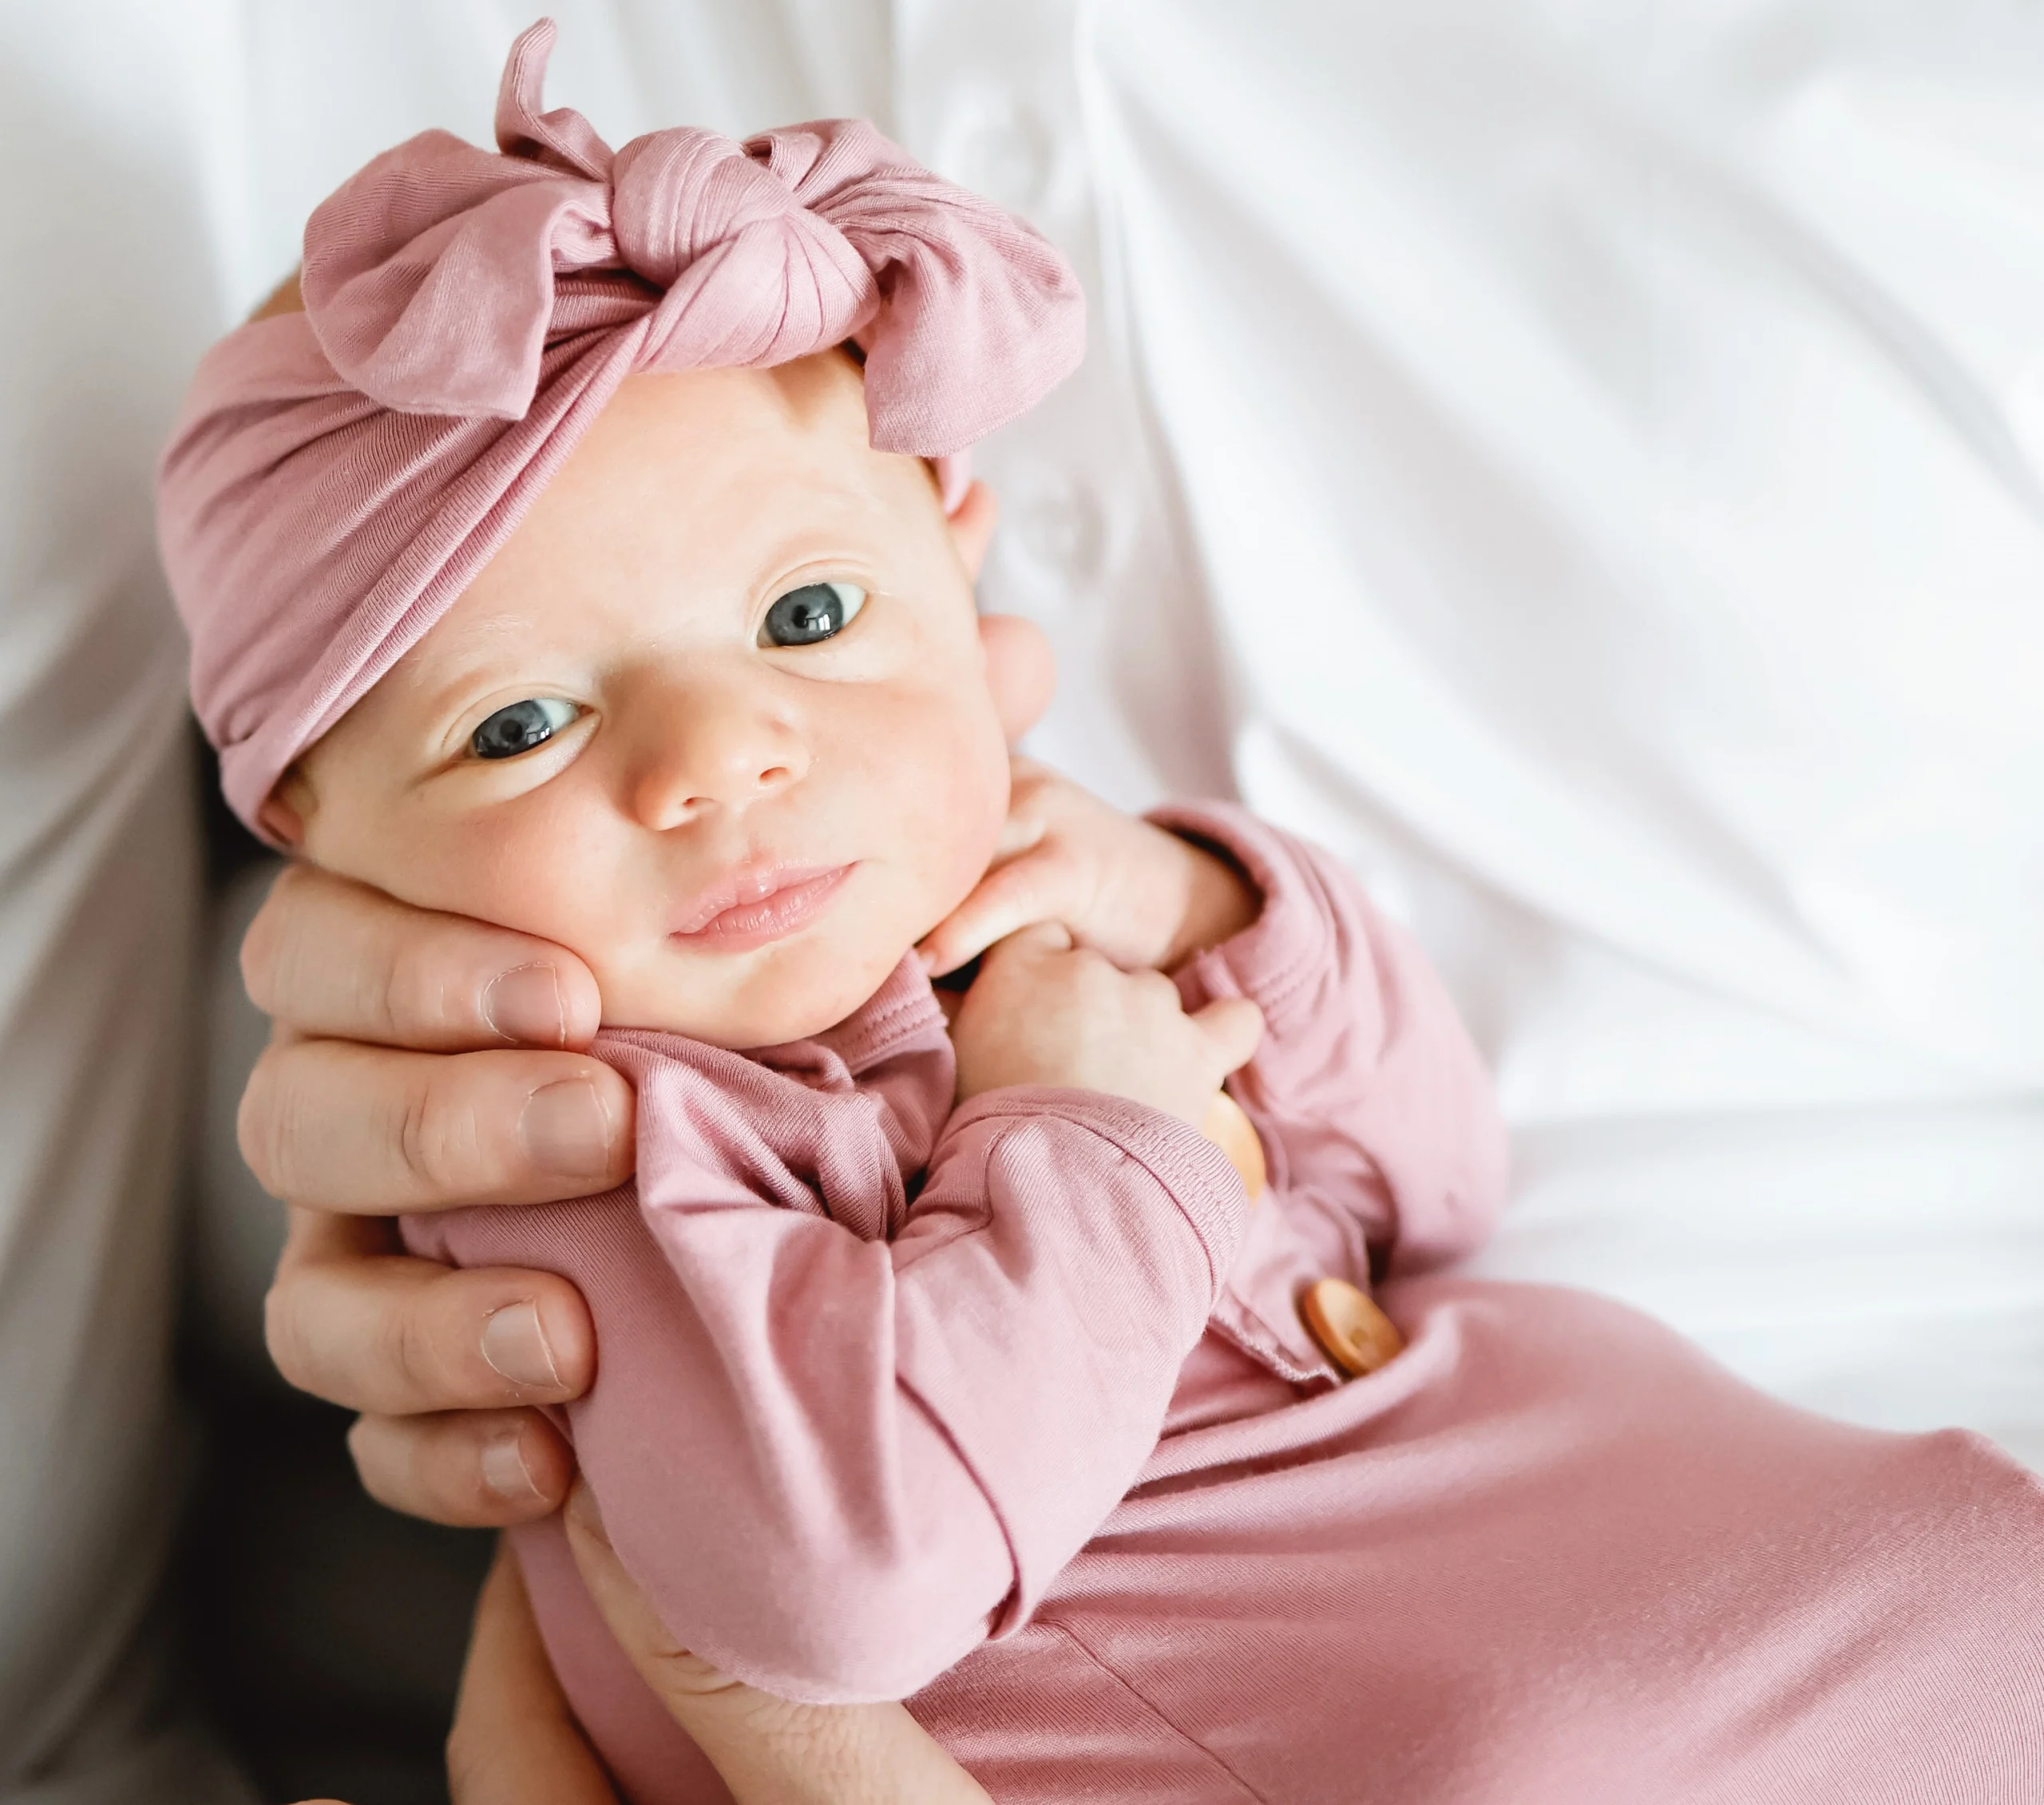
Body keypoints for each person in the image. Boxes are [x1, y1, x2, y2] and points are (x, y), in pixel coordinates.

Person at [161, 25, 2044, 1801]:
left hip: (1658, 1529)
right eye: (519, 723)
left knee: (1974, 1566)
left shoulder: (1035, 904)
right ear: (317, 827)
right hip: (1426, 1719)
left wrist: (1208, 903)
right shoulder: (588, 1137)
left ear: (953, 556)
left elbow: (1436, 1182)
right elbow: (842, 1583)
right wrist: (1095, 1131)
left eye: (809, 618)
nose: (720, 756)